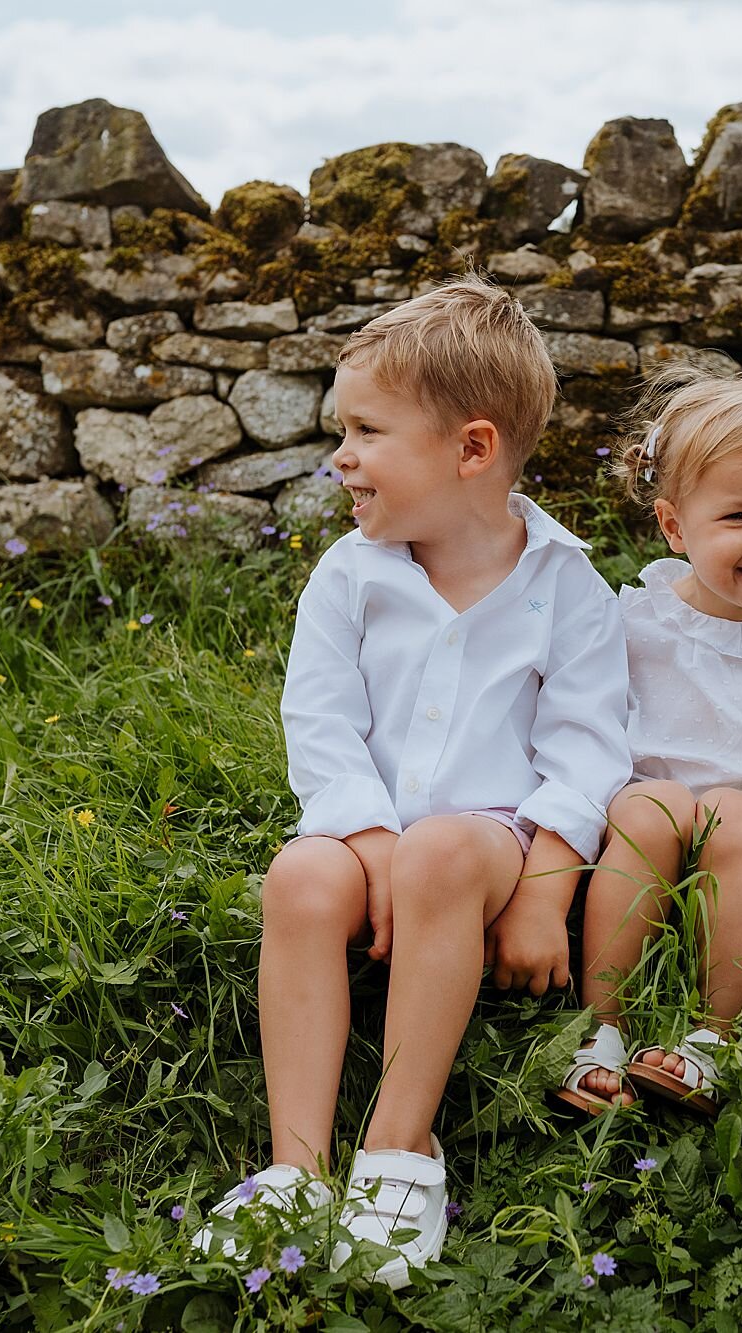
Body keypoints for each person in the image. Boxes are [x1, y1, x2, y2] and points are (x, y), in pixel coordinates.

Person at [194, 276, 632, 1287]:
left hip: (490, 841)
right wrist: (364, 838)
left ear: (471, 451)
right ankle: (294, 1168)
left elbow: (584, 747)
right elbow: (322, 723)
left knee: (443, 848)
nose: (339, 455)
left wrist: (544, 888)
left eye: (366, 430)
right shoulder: (351, 573)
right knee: (298, 880)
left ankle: (399, 1150)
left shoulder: (566, 583)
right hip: (374, 833)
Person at [554, 364, 742, 1119]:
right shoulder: (633, 628)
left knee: (731, 809)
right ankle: (602, 1029)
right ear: (673, 526)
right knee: (652, 800)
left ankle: (711, 1038)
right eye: (739, 517)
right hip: (647, 834)